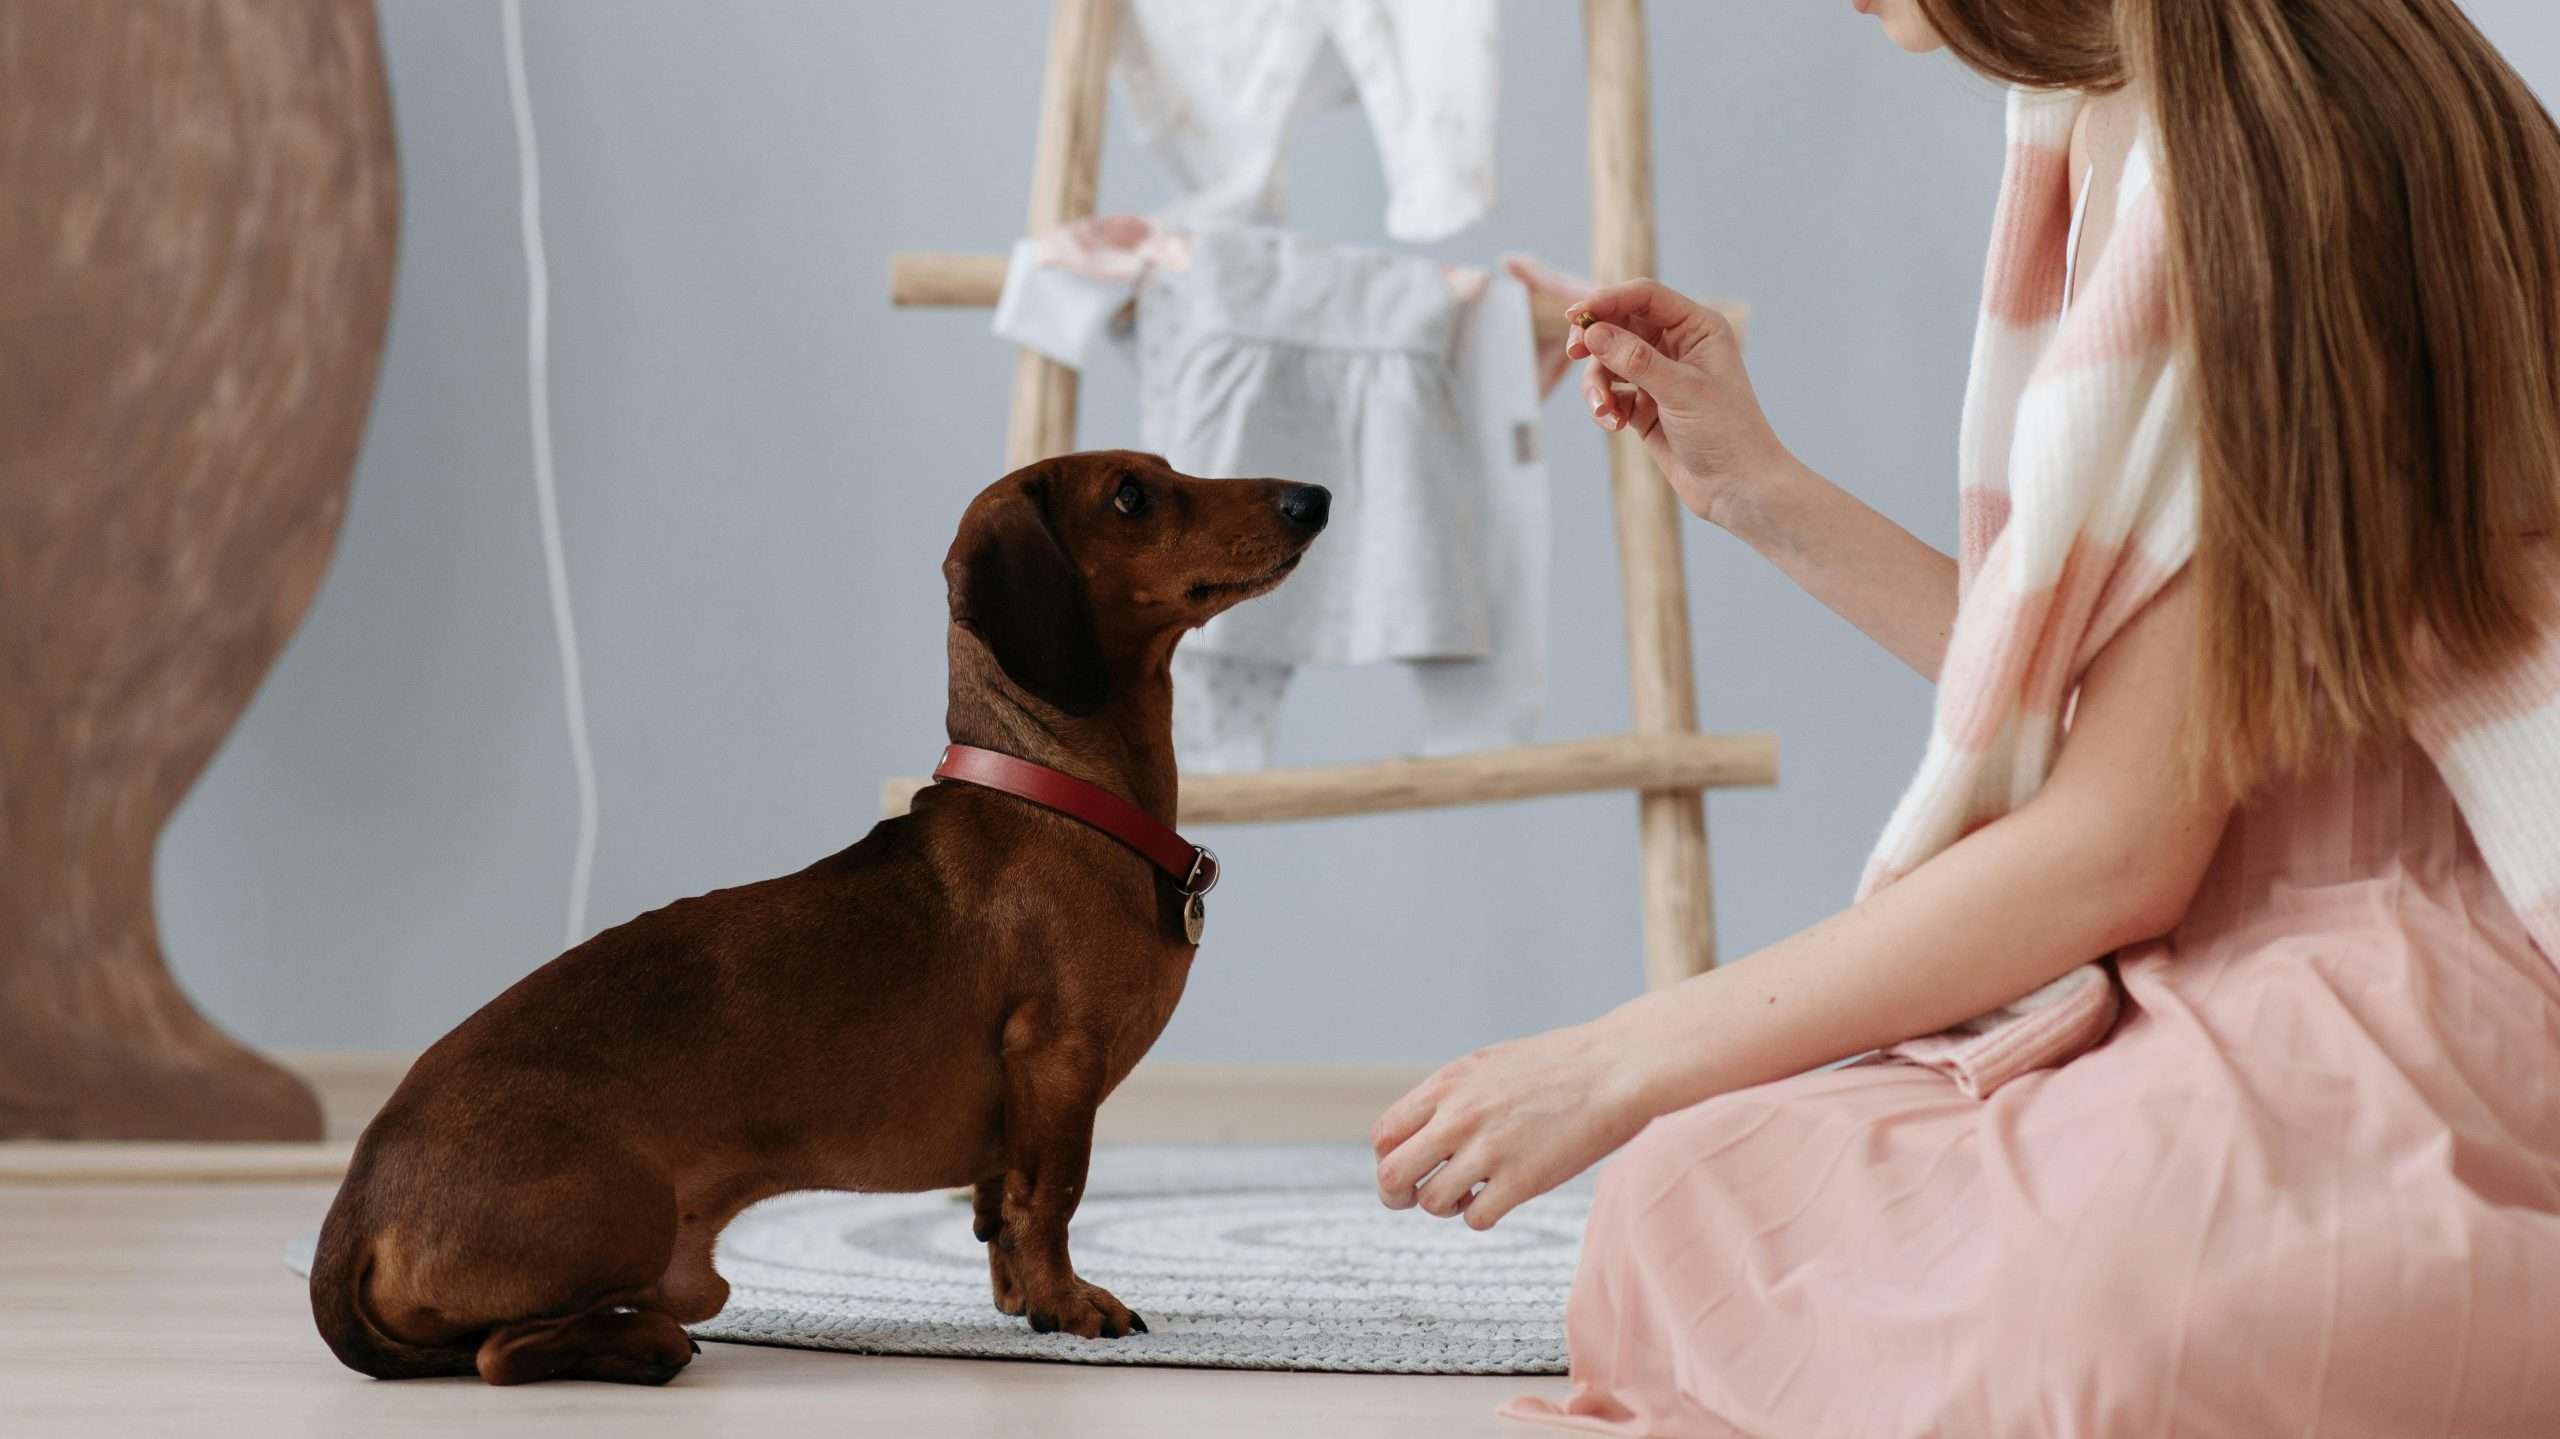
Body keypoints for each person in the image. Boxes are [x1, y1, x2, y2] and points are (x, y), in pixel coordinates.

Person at [1372, 1, 2560, 1433]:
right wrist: (1764, 492)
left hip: (2384, 977)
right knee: (1699, 1200)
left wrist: (1616, 1054)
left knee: (2083, 1332)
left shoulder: (2248, 159)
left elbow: (2124, 841)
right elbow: (2165, 707)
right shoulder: (2240, 81)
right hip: (2261, 936)